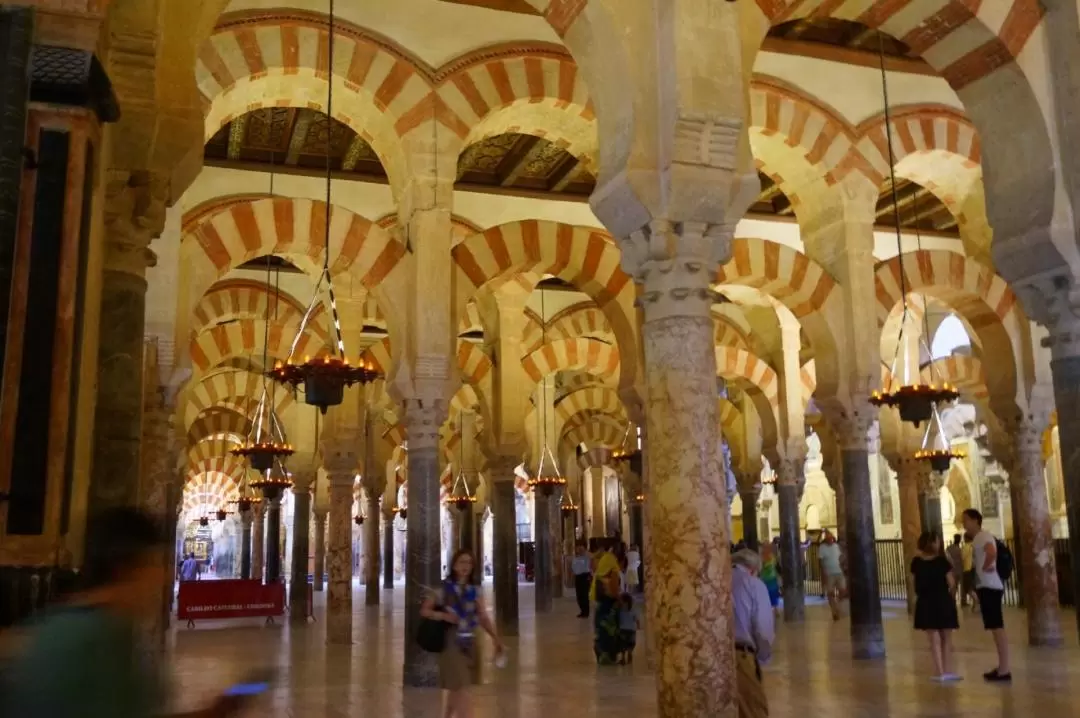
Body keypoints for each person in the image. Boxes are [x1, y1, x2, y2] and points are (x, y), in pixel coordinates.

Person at [5, 507, 251, 717]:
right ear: (126, 567)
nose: (164, 577)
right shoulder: (96, 639)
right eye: (155, 564)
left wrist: (211, 711)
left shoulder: (88, 625)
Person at [420, 548, 505, 717]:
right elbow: (425, 611)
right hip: (451, 643)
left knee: (458, 687)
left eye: (469, 563)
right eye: (462, 562)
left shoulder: (475, 590)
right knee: (463, 689)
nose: (465, 566)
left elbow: (483, 617)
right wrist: (443, 615)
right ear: (454, 565)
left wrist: (496, 639)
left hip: (470, 642)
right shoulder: (443, 588)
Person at [961, 508, 1010, 682]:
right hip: (988, 585)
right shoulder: (979, 538)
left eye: (966, 520)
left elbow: (991, 551)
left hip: (990, 586)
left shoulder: (982, 537)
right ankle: (1003, 666)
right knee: (996, 627)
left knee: (997, 628)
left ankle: (1004, 669)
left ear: (975, 520)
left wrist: (986, 567)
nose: (964, 523)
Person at [911, 532, 961, 682]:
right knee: (946, 637)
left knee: (933, 638)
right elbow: (951, 583)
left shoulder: (916, 562)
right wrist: (951, 596)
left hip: (925, 601)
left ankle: (939, 671)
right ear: (933, 544)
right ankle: (947, 670)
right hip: (942, 600)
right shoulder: (942, 562)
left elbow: (913, 584)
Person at [731, 548, 775, 718]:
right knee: (754, 710)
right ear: (753, 569)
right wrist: (763, 656)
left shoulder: (716, 580)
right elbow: (762, 627)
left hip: (713, 659)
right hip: (741, 656)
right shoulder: (753, 583)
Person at [590, 545, 622, 664]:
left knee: (600, 629)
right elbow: (614, 590)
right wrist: (620, 599)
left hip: (600, 604)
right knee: (609, 630)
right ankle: (608, 655)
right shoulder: (612, 566)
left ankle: (601, 652)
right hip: (609, 606)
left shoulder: (601, 570)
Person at [818, 530, 845, 620]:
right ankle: (834, 611)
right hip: (829, 574)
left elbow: (840, 558)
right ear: (826, 539)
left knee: (842, 591)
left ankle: (837, 606)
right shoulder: (822, 548)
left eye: (831, 538)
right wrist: (823, 575)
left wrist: (843, 567)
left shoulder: (836, 546)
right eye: (828, 538)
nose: (830, 539)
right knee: (830, 593)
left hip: (839, 572)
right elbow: (821, 562)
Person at [570, 542, 592, 618]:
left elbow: (590, 564)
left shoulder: (587, 557)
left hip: (585, 576)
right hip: (578, 577)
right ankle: (582, 611)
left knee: (585, 595)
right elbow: (573, 568)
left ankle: (586, 612)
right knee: (579, 595)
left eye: (581, 549)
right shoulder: (575, 558)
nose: (579, 550)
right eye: (578, 549)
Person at [760, 543, 782, 618]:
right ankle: (772, 609)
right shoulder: (762, 557)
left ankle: (775, 609)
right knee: (768, 594)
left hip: (771, 578)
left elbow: (774, 567)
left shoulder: (771, 557)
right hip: (766, 579)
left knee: (773, 594)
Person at [616, 593, 639, 664]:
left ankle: (623, 658)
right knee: (631, 643)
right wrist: (638, 626)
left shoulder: (620, 610)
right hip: (632, 629)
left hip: (623, 629)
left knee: (622, 644)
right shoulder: (632, 609)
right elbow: (636, 619)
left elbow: (618, 619)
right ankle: (630, 652)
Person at [960, 534, 978, 611]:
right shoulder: (975, 545)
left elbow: (962, 557)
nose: (963, 539)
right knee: (973, 586)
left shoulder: (965, 547)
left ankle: (976, 599)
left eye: (964, 538)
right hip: (975, 568)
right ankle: (975, 603)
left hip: (967, 568)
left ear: (966, 538)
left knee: (967, 588)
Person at [945, 534, 963, 601]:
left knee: (953, 586)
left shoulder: (949, 548)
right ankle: (960, 600)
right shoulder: (959, 549)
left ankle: (952, 599)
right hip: (958, 570)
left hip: (951, 570)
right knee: (959, 586)